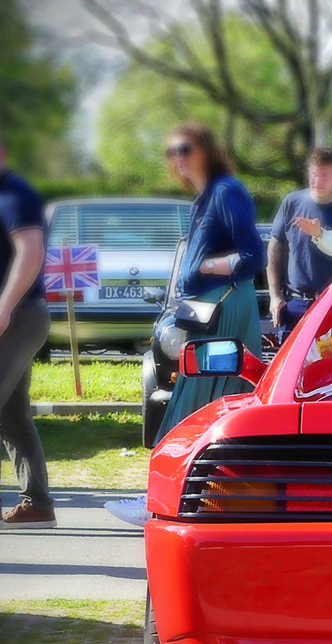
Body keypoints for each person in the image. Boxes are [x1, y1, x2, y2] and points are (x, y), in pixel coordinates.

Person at [106, 123, 266, 526]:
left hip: (224, 309)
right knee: (196, 399)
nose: (178, 158)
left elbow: (253, 255)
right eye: (172, 151)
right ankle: (180, 496)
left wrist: (205, 266)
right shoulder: (205, 198)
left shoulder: (226, 191)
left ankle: (162, 500)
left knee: (202, 399)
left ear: (206, 149)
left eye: (185, 149)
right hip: (207, 309)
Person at [0, 122, 55, 530]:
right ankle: (37, 503)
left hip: (11, 316)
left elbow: (30, 251)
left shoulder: (15, 194)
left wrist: (2, 309)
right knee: (13, 415)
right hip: (2, 317)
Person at [267, 147, 332, 338]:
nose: (317, 181)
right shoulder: (292, 203)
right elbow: (276, 248)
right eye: (314, 174)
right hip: (295, 305)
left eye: (324, 175)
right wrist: (275, 297)